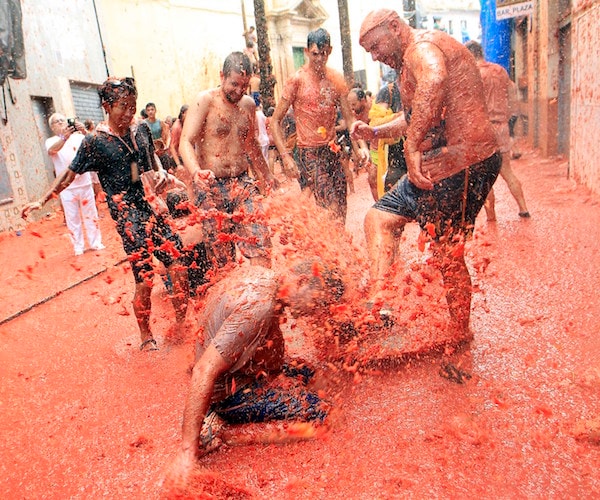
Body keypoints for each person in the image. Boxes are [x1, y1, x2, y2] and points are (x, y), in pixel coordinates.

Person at [351, 10, 501, 336]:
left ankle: (459, 337)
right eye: (370, 53)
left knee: (447, 253)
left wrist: (412, 146)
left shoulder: (420, 47)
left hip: (460, 164)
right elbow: (420, 112)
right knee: (379, 218)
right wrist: (375, 133)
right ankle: (380, 305)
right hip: (451, 164)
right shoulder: (409, 61)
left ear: (394, 27)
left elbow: (435, 80)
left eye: (376, 47)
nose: (376, 57)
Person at [22, 77, 189, 352]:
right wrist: (42, 201)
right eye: (123, 106)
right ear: (106, 106)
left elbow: (149, 161)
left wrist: (162, 174)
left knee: (177, 263)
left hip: (152, 206)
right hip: (128, 216)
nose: (129, 112)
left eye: (132, 106)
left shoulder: (142, 130)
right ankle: (146, 335)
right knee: (145, 278)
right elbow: (68, 175)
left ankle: (181, 325)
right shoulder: (95, 142)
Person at [167, 259, 344, 482]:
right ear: (302, 281)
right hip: (233, 392)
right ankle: (227, 433)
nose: (315, 311)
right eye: (318, 302)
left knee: (312, 374)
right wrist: (187, 453)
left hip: (248, 371)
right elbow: (203, 370)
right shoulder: (259, 306)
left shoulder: (265, 276)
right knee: (329, 418)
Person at [179, 52, 275, 269]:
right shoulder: (205, 100)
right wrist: (196, 172)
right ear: (221, 75)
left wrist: (267, 174)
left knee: (261, 245)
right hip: (211, 187)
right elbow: (185, 141)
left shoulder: (249, 105)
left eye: (244, 85)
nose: (239, 91)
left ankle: (260, 297)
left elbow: (251, 145)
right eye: (234, 84)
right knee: (222, 260)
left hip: (242, 183)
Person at [271, 28, 369, 222]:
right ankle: (327, 247)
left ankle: (338, 247)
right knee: (329, 205)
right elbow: (275, 121)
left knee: (341, 205)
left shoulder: (336, 79)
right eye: (315, 54)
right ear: (307, 52)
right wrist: (286, 157)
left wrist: (361, 147)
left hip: (332, 150)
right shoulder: (296, 80)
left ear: (330, 51)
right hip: (309, 153)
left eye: (323, 53)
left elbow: (349, 119)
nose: (319, 59)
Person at [465, 41, 530, 221]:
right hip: (501, 126)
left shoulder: (472, 73)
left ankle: (491, 218)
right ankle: (524, 208)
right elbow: (512, 96)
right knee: (507, 171)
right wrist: (508, 118)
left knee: (484, 176)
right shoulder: (500, 71)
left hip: (482, 129)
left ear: (470, 55)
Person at [45, 113, 104, 256]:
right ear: (52, 127)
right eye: (57, 122)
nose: (61, 123)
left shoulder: (79, 137)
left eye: (63, 120)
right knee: (72, 218)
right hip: (66, 187)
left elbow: (95, 144)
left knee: (91, 215)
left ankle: (95, 242)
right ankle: (78, 246)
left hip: (84, 182)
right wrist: (64, 137)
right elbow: (52, 150)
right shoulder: (51, 141)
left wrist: (84, 131)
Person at [145, 102, 174, 171]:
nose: (150, 112)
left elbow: (168, 135)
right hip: (150, 151)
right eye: (148, 110)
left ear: (155, 111)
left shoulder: (160, 122)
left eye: (152, 109)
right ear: (146, 112)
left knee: (167, 170)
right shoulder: (144, 123)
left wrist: (166, 146)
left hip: (161, 150)